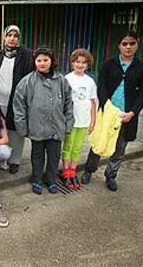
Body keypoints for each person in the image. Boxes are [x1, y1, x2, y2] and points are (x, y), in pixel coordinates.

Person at [81, 31, 143, 191]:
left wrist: (132, 112)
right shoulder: (108, 64)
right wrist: (106, 106)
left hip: (127, 115)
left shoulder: (141, 68)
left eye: (132, 43)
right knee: (99, 142)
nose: (128, 47)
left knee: (119, 147)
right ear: (119, 45)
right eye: (124, 43)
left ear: (137, 44)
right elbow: (101, 87)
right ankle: (89, 170)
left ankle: (111, 175)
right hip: (107, 113)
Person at [13, 47, 74, 195]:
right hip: (37, 128)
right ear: (34, 62)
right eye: (38, 60)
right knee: (37, 156)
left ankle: (51, 180)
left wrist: (68, 123)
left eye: (45, 60)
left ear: (51, 61)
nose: (42, 63)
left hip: (56, 128)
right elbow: (19, 105)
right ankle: (37, 180)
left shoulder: (61, 80)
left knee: (54, 156)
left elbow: (68, 103)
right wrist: (23, 127)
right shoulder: (27, 82)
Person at [0, 25, 33, 175]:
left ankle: (14, 161)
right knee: (1, 128)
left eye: (15, 36)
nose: (12, 38)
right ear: (4, 37)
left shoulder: (27, 55)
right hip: (0, 99)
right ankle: (1, 158)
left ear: (19, 39)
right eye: (9, 35)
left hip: (18, 100)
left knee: (16, 130)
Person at [61, 49, 97, 190]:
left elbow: (93, 102)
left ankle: (72, 171)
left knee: (77, 148)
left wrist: (93, 121)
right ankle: (65, 173)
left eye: (83, 62)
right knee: (68, 147)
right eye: (77, 62)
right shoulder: (67, 79)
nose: (80, 65)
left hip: (84, 120)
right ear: (72, 63)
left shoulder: (90, 81)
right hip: (71, 121)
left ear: (87, 64)